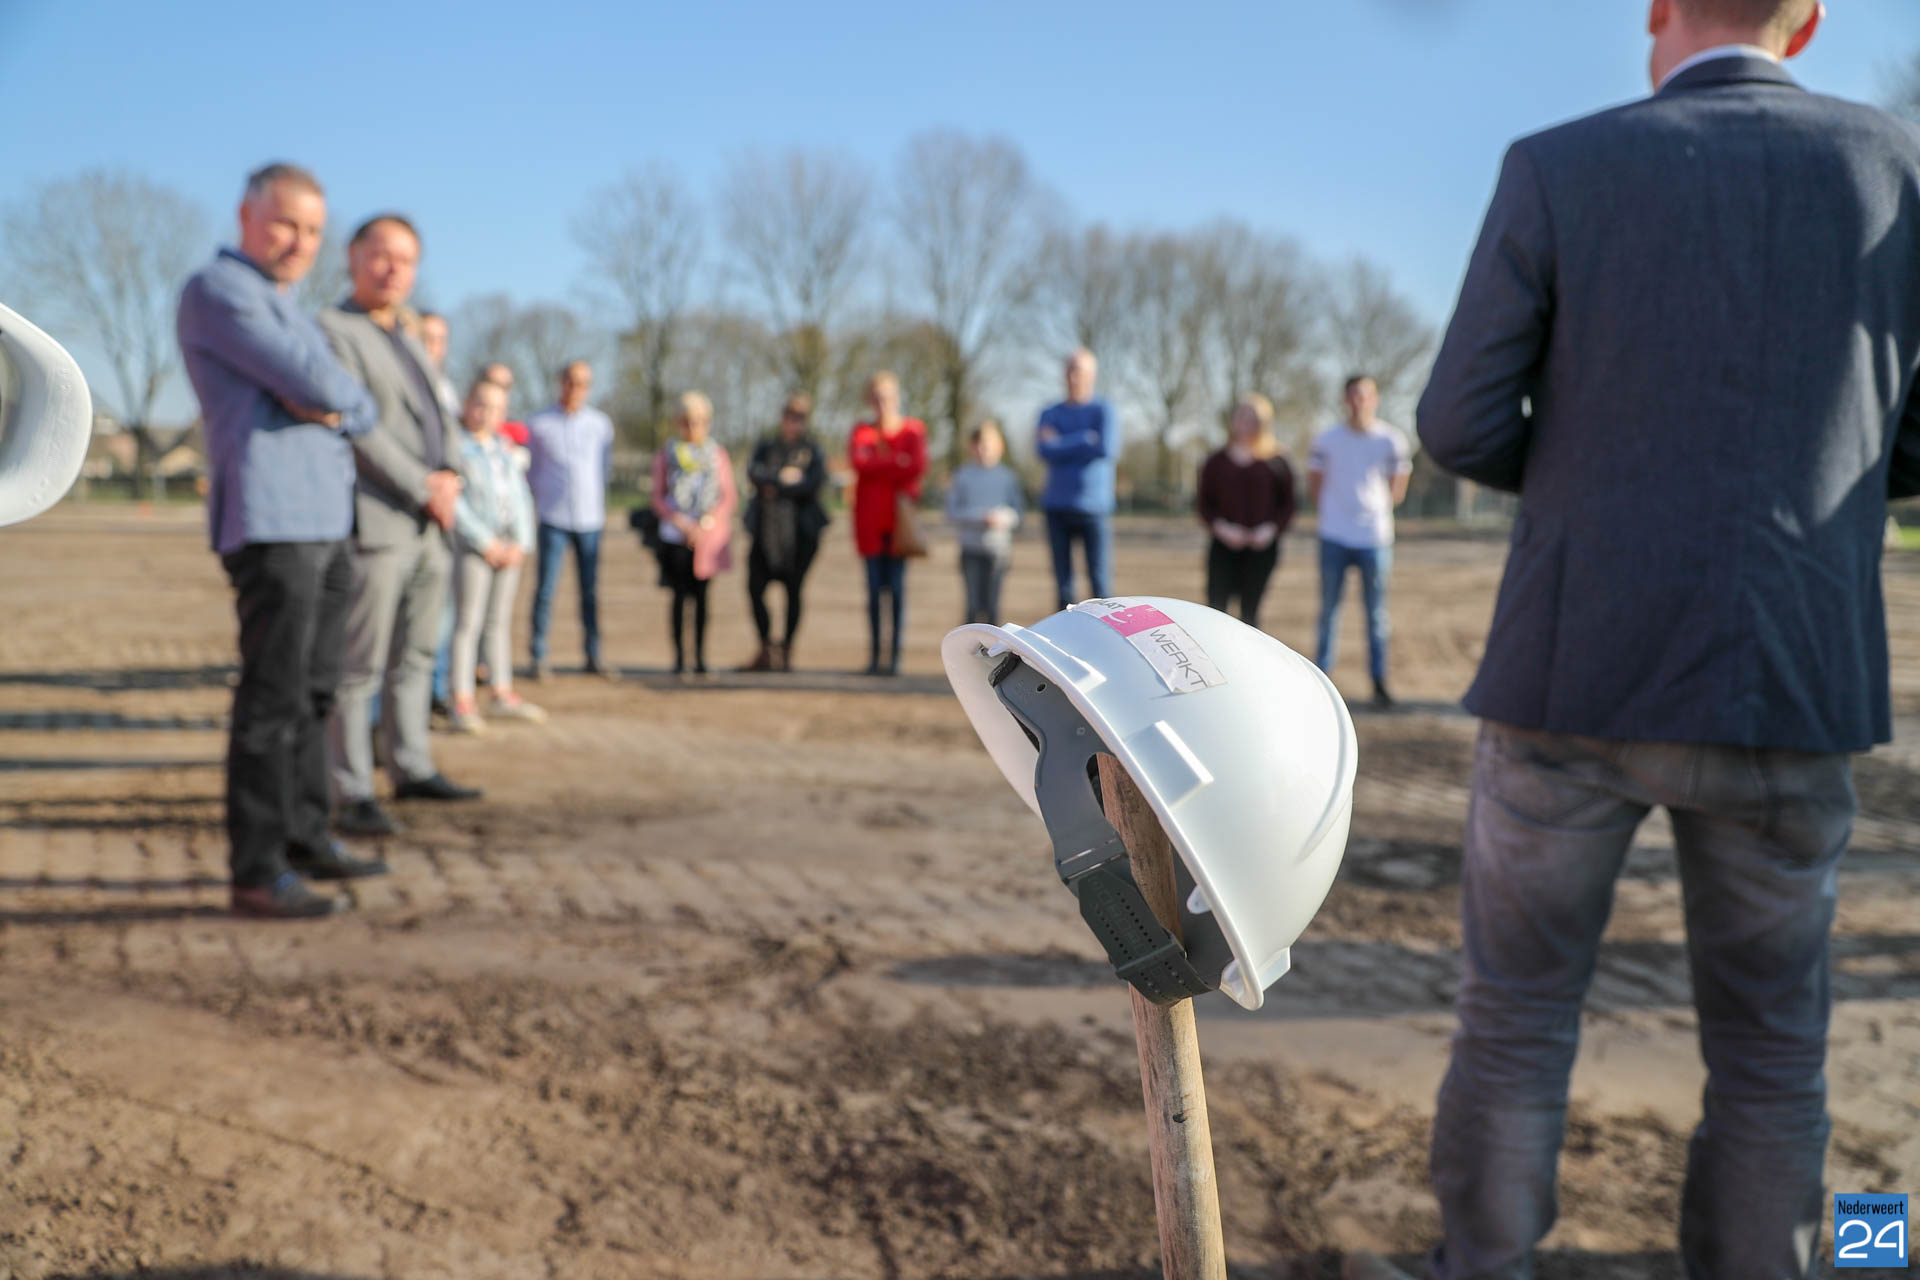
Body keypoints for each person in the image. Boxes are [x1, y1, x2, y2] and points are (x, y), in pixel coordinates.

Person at [1345, 3, 1920, 1279]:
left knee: (1515, 1015)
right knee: (1773, 1046)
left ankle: (1483, 1263)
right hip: (1794, 669)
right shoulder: (1896, 167)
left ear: (1658, 9)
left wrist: (1592, 480)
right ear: (1808, 25)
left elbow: (1457, 420)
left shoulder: (1560, 165)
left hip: (1576, 661)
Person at [175, 162, 389, 919]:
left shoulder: (287, 306)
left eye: (313, 231)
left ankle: (306, 835)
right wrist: (325, 397)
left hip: (327, 522)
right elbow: (327, 387)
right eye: (286, 224)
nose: (300, 243)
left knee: (316, 691)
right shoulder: (219, 291)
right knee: (273, 696)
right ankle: (259, 868)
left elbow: (352, 401)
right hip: (273, 523)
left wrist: (327, 399)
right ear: (246, 216)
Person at [318, 214, 482, 839]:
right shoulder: (334, 331)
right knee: (358, 664)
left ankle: (410, 764)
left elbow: (443, 419)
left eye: (406, 260)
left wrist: (453, 477)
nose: (393, 270)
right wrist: (423, 484)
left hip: (430, 527)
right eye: (382, 255)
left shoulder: (410, 338)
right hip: (379, 523)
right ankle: (350, 787)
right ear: (353, 257)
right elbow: (356, 426)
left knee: (416, 654)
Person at [446, 376, 543, 733]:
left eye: (497, 408)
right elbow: (456, 502)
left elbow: (520, 497)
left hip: (509, 547)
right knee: (467, 623)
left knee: (498, 622)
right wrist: (485, 542)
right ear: (467, 404)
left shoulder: (504, 449)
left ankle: (501, 692)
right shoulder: (456, 447)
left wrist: (521, 542)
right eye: (481, 405)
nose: (488, 414)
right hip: (475, 549)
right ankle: (462, 699)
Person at [1309, 374, 1411, 709]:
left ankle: (1379, 681)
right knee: (1329, 611)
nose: (1358, 401)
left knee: (1376, 614)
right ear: (1344, 400)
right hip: (1334, 536)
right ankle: (1322, 678)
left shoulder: (1392, 440)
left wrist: (1373, 509)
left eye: (1364, 395)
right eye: (1353, 395)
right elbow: (1314, 484)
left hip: (1375, 539)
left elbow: (1398, 488)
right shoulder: (1327, 439)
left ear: (1375, 399)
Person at [526, 360, 615, 680]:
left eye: (583, 383)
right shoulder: (539, 424)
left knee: (590, 591)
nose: (576, 389)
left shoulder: (600, 425)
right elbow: (531, 472)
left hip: (590, 520)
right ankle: (539, 655)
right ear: (561, 383)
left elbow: (603, 468)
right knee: (546, 590)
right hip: (553, 518)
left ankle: (593, 654)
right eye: (571, 382)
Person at [740, 393, 829, 672]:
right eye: (790, 415)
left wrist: (775, 486)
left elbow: (813, 484)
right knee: (755, 588)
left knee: (794, 591)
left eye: (799, 417)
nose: (793, 422)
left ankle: (787, 650)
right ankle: (766, 648)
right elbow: (754, 473)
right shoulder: (767, 446)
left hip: (799, 536)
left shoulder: (812, 451)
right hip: (765, 533)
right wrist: (783, 478)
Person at [650, 391, 736, 675]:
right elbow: (658, 497)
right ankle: (678, 660)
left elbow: (727, 497)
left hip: (708, 537)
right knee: (678, 597)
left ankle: (699, 658)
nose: (692, 427)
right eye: (687, 421)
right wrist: (681, 523)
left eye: (698, 421)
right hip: (676, 535)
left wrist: (706, 523)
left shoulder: (717, 455)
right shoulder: (667, 454)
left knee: (702, 599)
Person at [848, 371, 928, 676]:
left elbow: (917, 466)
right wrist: (897, 462)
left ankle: (894, 657)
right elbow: (860, 463)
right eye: (877, 397)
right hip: (870, 524)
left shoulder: (913, 431)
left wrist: (879, 463)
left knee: (895, 591)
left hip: (899, 526)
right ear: (870, 400)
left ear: (897, 397)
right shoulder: (861, 431)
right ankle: (874, 657)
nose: (883, 403)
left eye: (888, 397)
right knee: (872, 592)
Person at [1197, 393, 1296, 627]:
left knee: (1250, 615)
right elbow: (1204, 503)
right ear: (1232, 420)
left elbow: (1289, 504)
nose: (1246, 423)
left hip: (1262, 549)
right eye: (1242, 416)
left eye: (1254, 418)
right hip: (1224, 546)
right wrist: (1223, 529)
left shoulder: (1277, 461)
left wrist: (1270, 530)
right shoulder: (1216, 461)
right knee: (1215, 612)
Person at [1035, 348, 1118, 610]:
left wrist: (1060, 442)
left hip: (1094, 509)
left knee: (1100, 585)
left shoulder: (1104, 410)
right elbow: (1043, 450)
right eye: (1069, 370)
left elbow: (1106, 449)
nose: (1073, 377)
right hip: (1056, 508)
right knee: (1063, 588)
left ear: (1092, 375)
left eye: (1079, 370)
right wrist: (1084, 439)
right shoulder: (1049, 412)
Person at [415, 309, 459, 716]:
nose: (433, 346)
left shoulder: (446, 392)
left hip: (442, 520)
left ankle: (436, 689)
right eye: (425, 337)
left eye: (439, 339)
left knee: (443, 612)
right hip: (404, 515)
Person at [945, 420, 1025, 626]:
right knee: (973, 606)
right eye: (978, 445)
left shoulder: (1007, 477)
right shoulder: (962, 476)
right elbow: (952, 511)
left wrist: (1002, 518)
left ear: (999, 446)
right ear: (971, 447)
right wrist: (979, 517)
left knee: (992, 607)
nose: (983, 450)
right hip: (970, 548)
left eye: (988, 445)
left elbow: (1017, 512)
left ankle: (993, 646)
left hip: (998, 550)